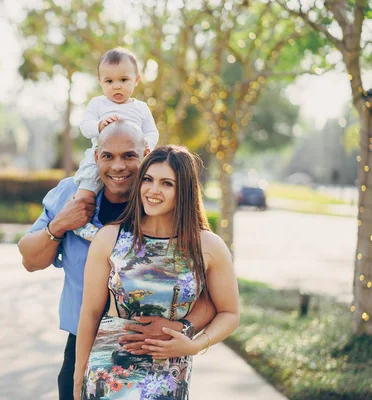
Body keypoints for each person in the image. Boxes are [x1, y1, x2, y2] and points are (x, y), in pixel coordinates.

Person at [18, 121, 215, 400]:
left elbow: (205, 291)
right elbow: (29, 260)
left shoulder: (157, 200)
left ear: (146, 154)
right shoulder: (70, 194)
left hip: (147, 349)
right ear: (96, 156)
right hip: (82, 342)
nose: (118, 166)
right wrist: (59, 224)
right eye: (108, 156)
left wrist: (181, 329)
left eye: (129, 156)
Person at [73, 145, 240, 400]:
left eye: (166, 184)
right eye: (148, 180)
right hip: (108, 375)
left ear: (183, 191)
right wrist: (79, 377)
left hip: (168, 377)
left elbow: (229, 313)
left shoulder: (208, 246)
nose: (153, 190)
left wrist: (194, 344)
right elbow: (90, 312)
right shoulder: (110, 237)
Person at [72, 47, 159, 242]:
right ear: (100, 82)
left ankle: (141, 229)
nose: (116, 86)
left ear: (136, 80)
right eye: (109, 81)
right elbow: (85, 127)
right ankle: (82, 227)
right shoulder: (98, 104)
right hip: (99, 157)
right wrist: (99, 125)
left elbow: (152, 131)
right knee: (85, 193)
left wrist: (146, 145)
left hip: (134, 158)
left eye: (123, 80)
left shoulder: (140, 108)